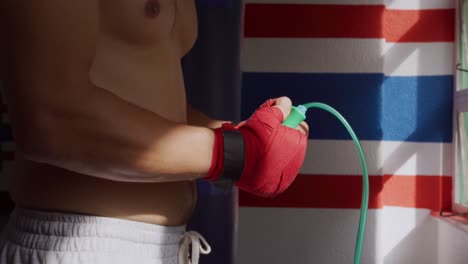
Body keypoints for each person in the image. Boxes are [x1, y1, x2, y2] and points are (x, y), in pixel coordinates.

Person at [0, 0, 309, 263]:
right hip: (84, 244)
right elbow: (51, 117)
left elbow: (146, 101)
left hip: (167, 244)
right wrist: (232, 154)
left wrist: (242, 138)